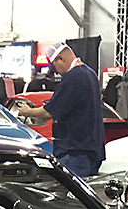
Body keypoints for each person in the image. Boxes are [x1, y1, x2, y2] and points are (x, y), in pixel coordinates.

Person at [14, 41, 105, 177]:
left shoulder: (73, 77)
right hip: (91, 150)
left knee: (70, 190)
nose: (55, 71)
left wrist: (27, 111)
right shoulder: (90, 74)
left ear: (60, 59)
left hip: (75, 152)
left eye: (54, 66)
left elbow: (48, 112)